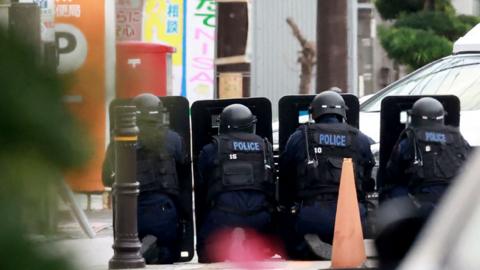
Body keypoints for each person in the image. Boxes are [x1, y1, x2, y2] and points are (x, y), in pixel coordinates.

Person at [280, 90, 375, 260]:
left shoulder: (300, 137)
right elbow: (368, 178)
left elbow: (286, 177)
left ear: (314, 113)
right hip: (353, 220)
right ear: (343, 113)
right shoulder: (359, 138)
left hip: (310, 219)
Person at [102, 93, 188, 264]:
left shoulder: (119, 138)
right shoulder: (174, 139)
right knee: (168, 254)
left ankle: (146, 246)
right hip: (165, 212)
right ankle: (156, 247)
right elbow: (184, 174)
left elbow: (105, 178)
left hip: (130, 218)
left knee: (139, 250)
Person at [196, 104, 276, 263]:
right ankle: (253, 243)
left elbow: (202, 183)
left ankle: (231, 240)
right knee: (267, 246)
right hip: (260, 215)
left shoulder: (211, 149)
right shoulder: (265, 146)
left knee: (206, 254)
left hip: (223, 216)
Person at [382, 97, 470, 213]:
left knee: (393, 190)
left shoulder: (410, 138)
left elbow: (392, 172)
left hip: (423, 199)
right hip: (454, 197)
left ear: (414, 117)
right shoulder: (456, 136)